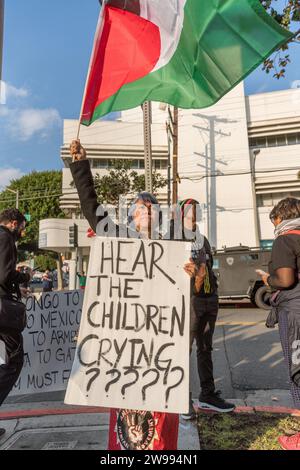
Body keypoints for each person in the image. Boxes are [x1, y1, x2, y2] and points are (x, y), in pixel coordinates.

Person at [70, 140, 198, 450]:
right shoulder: (119, 238)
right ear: (131, 215)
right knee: (127, 419)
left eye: (151, 206)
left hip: (158, 348)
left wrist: (191, 274)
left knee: (159, 419)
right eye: (139, 207)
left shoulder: (172, 246)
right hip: (125, 348)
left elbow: (182, 297)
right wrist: (81, 168)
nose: (145, 211)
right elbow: (92, 211)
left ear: (159, 216)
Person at [171, 199, 235, 418]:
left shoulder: (203, 239)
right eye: (189, 210)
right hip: (188, 301)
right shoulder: (175, 237)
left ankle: (207, 395)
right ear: (180, 214)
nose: (194, 213)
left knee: (205, 349)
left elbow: (208, 267)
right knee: (182, 352)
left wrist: (212, 291)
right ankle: (181, 399)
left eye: (196, 209)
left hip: (208, 299)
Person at [257, 197, 300, 451]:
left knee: (297, 368)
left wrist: (268, 279)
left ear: (282, 217)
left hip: (294, 312)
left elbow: (284, 279)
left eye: (274, 221)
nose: (274, 227)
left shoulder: (285, 238)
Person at [0, 209, 31, 438]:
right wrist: (22, 277)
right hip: (2, 313)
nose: (23, 230)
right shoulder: (5, 238)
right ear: (13, 223)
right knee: (14, 361)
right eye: (21, 225)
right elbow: (3, 275)